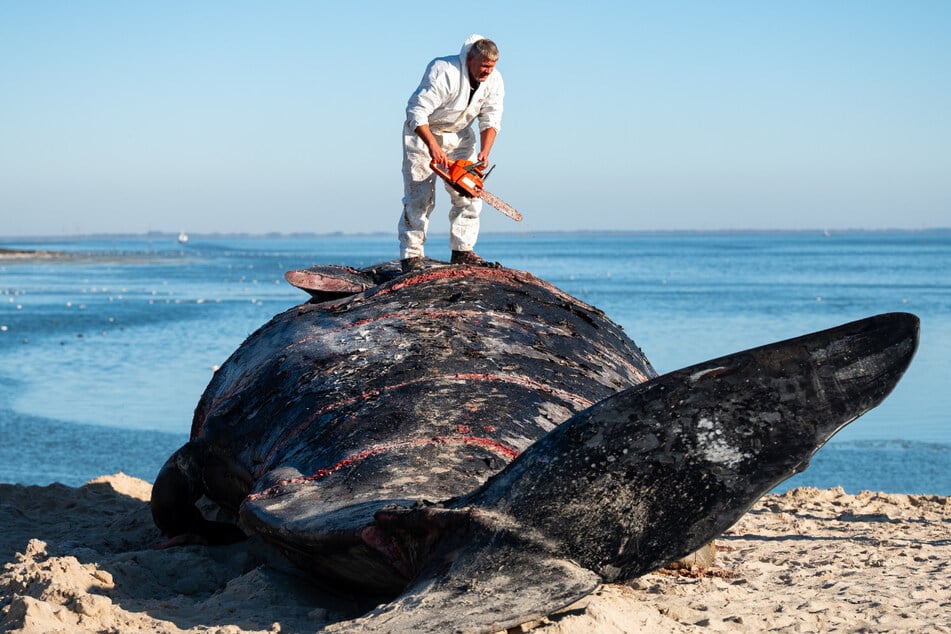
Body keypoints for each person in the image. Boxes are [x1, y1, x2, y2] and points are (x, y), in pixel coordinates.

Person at [398, 35, 505, 273]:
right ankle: (412, 256)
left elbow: (491, 117)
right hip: (424, 132)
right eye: (484, 66)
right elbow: (416, 111)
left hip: (460, 135)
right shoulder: (443, 70)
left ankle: (462, 251)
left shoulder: (495, 81)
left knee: (469, 191)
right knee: (420, 196)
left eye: (492, 67)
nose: (487, 71)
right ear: (470, 59)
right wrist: (432, 147)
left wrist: (485, 151)